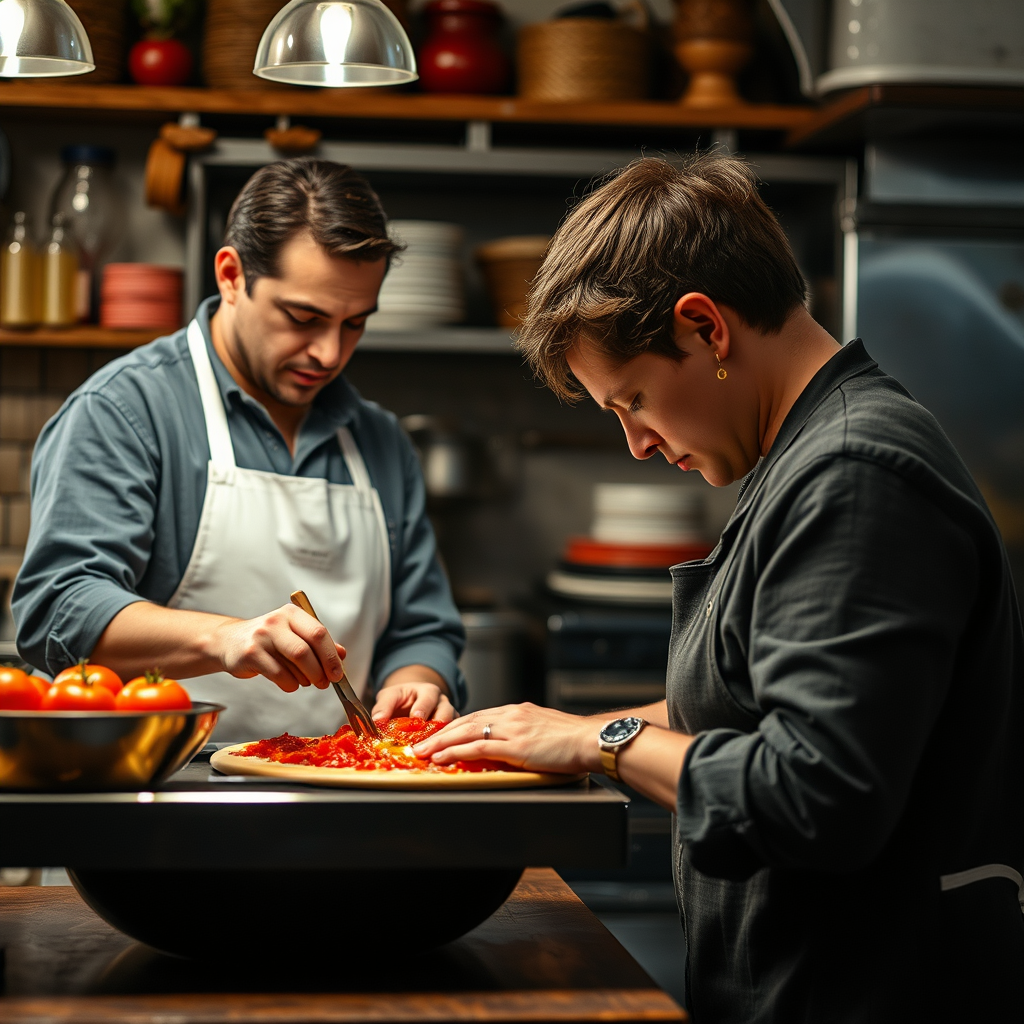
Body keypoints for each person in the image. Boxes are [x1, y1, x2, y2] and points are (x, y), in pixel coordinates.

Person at [412, 155, 1024, 1022]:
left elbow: (815, 793)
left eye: (633, 401)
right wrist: (554, 731)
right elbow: (751, 705)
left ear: (705, 328)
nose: (637, 444)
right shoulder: (804, 460)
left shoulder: (854, 475)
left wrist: (604, 744)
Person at [14, 158, 465, 739]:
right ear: (231, 275)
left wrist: (420, 679)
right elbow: (61, 609)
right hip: (155, 786)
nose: (329, 353)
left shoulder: (380, 441)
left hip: (338, 792)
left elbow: (422, 627)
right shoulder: (124, 412)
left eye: (355, 323)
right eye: (303, 317)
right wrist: (224, 638)